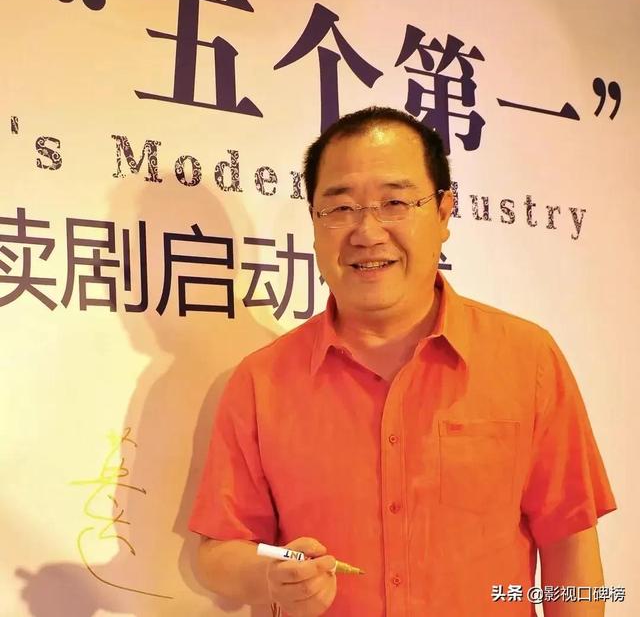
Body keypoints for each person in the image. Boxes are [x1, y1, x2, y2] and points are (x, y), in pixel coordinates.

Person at [188, 106, 616, 616]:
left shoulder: (528, 359)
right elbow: (218, 552)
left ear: (443, 212)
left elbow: (570, 540)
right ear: (315, 222)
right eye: (340, 207)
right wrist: (271, 573)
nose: (367, 232)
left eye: (395, 202)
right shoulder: (262, 381)